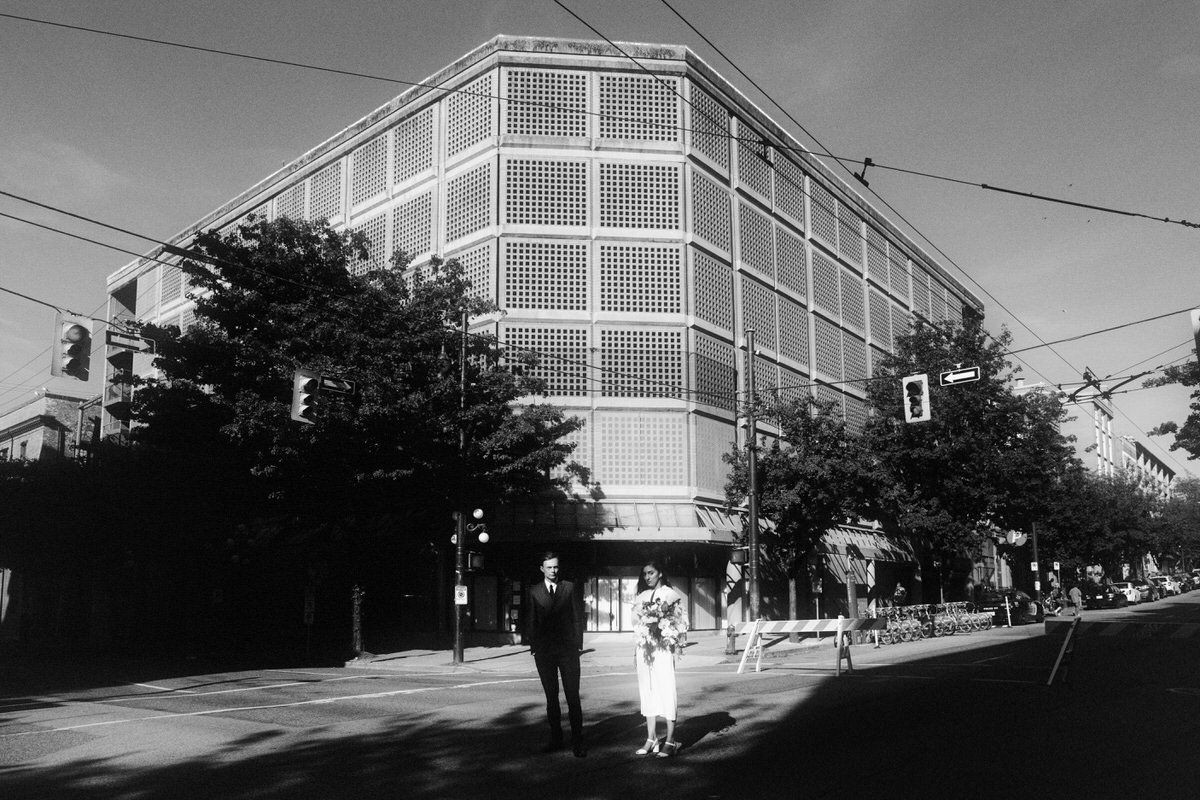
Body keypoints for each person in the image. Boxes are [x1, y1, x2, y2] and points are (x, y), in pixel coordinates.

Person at [526, 551, 586, 757]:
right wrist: (533, 646)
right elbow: (531, 620)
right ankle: (556, 738)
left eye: (556, 567)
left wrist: (578, 644)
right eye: (549, 567)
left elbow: (578, 617)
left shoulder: (569, 587)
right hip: (544, 652)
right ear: (542, 569)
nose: (553, 570)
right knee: (551, 698)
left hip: (568, 650)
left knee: (572, 697)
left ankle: (578, 741)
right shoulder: (534, 591)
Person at [631, 558, 689, 758]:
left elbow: (682, 622)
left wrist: (672, 637)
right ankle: (651, 738)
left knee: (666, 688)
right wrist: (635, 650)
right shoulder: (641, 596)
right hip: (645, 649)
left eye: (651, 573)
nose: (647, 577)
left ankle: (671, 740)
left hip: (663, 648)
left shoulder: (670, 595)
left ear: (660, 573)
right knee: (647, 690)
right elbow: (637, 625)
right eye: (645, 573)